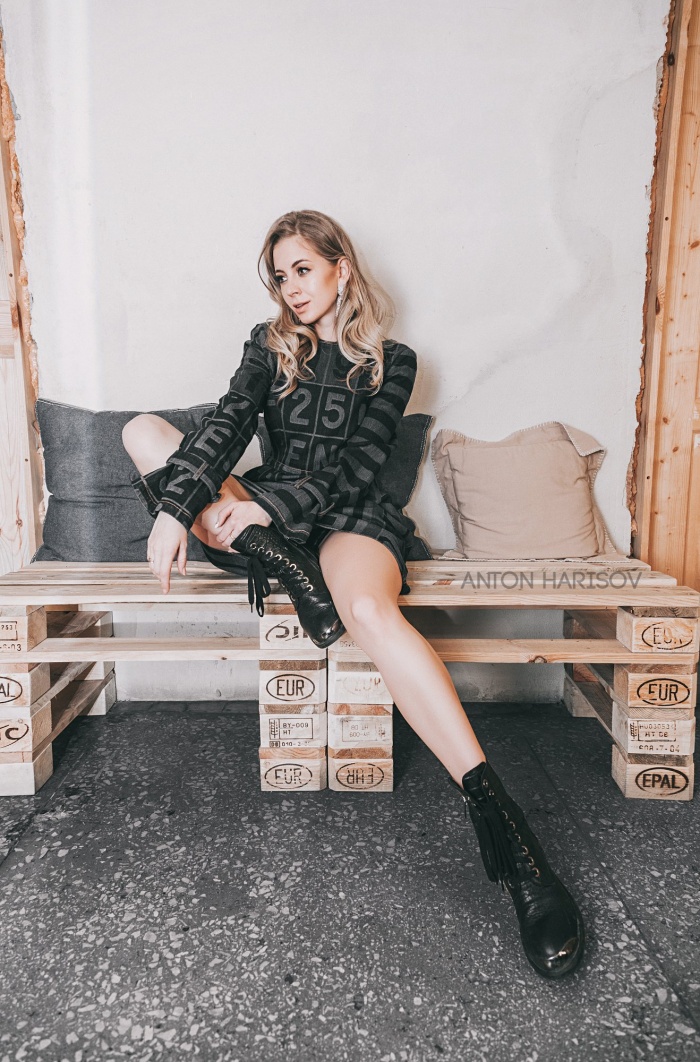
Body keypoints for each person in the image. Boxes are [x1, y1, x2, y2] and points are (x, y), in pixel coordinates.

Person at [122, 209, 585, 979]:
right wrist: (176, 509)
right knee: (144, 432)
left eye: (303, 269)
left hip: (343, 515)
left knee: (368, 610)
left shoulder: (392, 361)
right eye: (280, 276)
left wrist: (266, 510)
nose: (291, 288)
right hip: (263, 513)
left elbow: (359, 466)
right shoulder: (268, 345)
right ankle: (279, 559)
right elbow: (229, 424)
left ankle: (517, 847)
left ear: (342, 268)